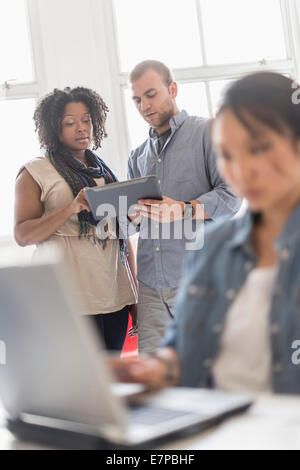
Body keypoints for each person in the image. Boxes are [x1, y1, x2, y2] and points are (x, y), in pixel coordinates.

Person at [110, 72, 300, 394]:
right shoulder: (212, 248)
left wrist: (183, 210)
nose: (241, 170)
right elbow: (185, 353)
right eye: (227, 155)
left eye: (258, 147)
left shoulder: (198, 133)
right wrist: (148, 369)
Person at [127, 60, 242, 354]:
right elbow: (129, 223)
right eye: (137, 100)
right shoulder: (137, 156)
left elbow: (232, 195)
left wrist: (183, 209)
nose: (144, 106)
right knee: (155, 382)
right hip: (151, 287)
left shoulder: (207, 133)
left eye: (151, 95)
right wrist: (130, 216)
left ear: (172, 89)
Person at [14, 87, 138, 353]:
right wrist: (71, 208)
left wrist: (134, 298)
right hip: (69, 301)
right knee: (80, 389)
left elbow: (121, 239)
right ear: (53, 128)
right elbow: (23, 236)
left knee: (113, 383)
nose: (81, 128)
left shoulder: (104, 171)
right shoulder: (35, 172)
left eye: (86, 120)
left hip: (114, 296)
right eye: (69, 123)